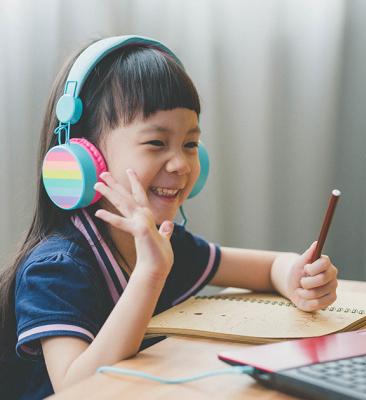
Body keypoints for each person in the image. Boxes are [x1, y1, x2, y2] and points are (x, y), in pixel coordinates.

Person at [0, 36, 338, 399]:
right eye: (156, 143)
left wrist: (299, 277)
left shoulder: (163, 243)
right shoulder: (56, 268)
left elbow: (268, 268)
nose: (180, 164)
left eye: (190, 144)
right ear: (84, 156)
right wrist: (151, 272)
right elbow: (75, 386)